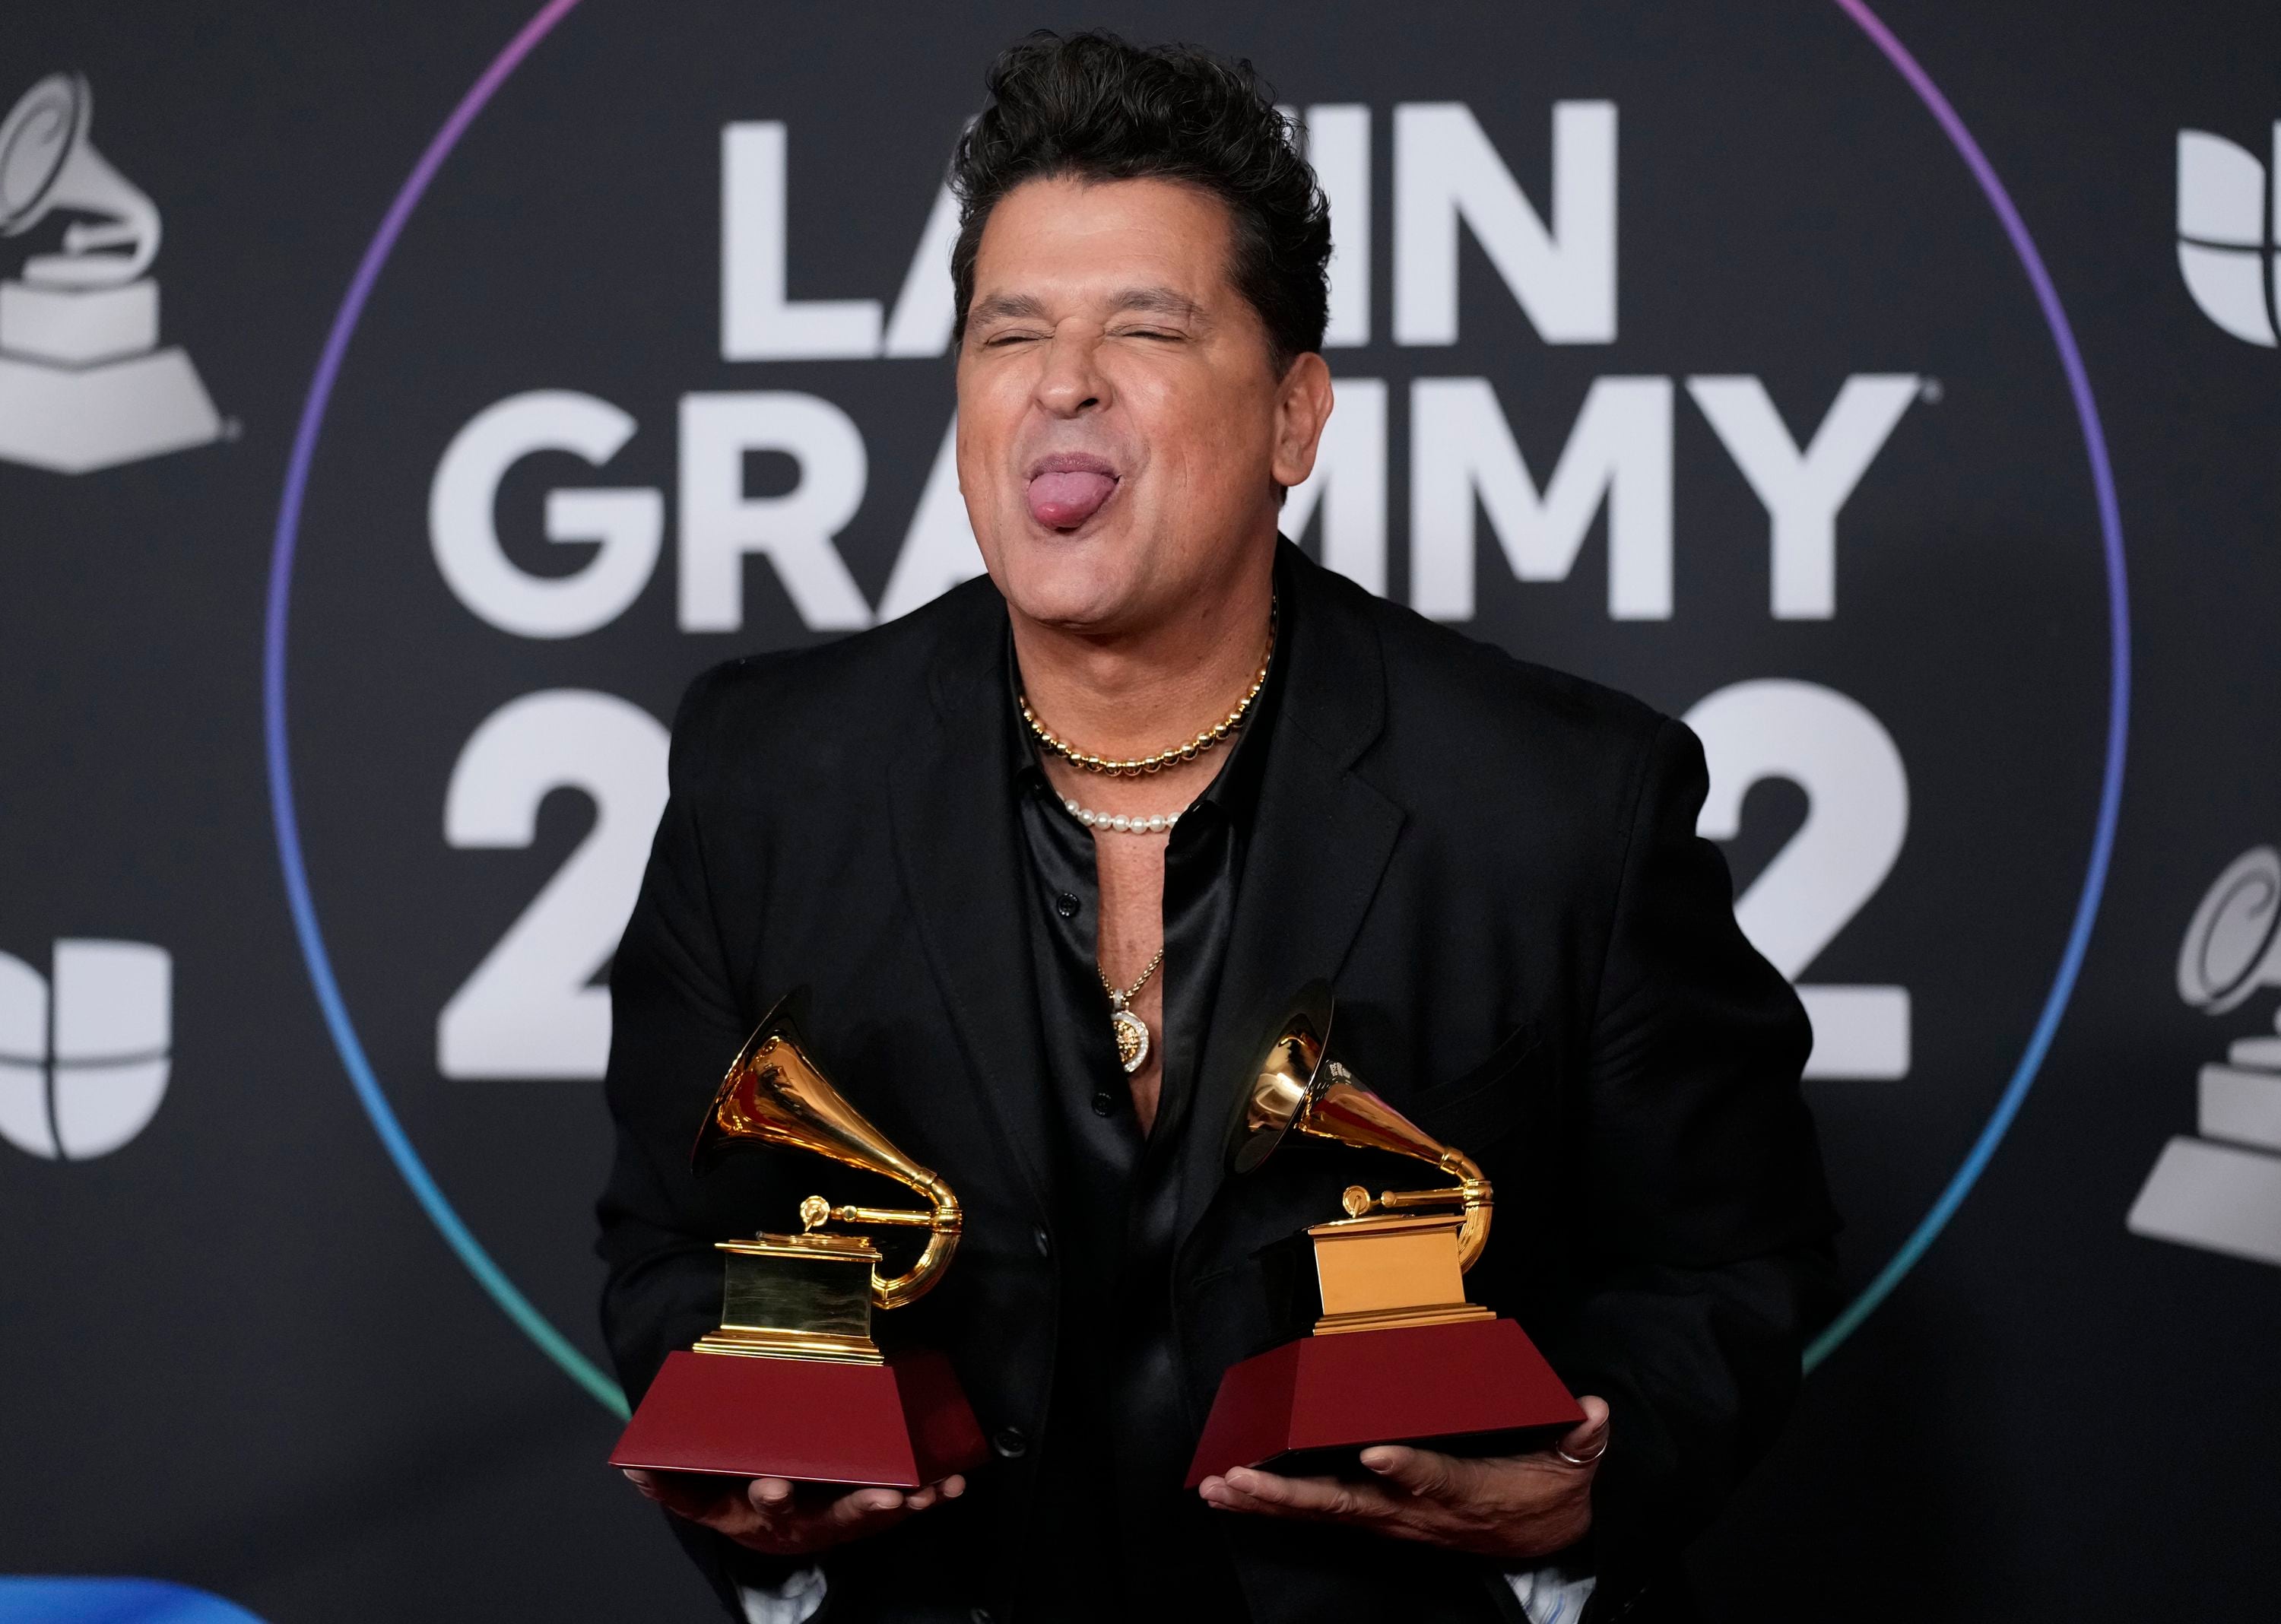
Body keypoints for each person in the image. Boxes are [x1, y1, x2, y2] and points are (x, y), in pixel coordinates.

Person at [600, 30, 1835, 1624]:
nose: (1062, 381)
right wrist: (760, 1507)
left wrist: (1581, 1484)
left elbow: (1728, 1270)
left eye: (1147, 328)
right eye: (1009, 333)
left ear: (1295, 418)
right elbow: (665, 1250)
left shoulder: (1567, 798)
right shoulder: (766, 771)